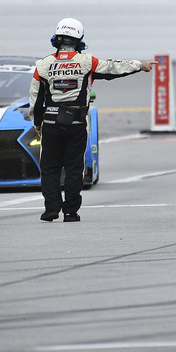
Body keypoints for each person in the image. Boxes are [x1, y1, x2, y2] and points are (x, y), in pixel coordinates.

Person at [30, 18, 156, 223]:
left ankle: (51, 209)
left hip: (51, 123)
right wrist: (139, 65)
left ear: (57, 38)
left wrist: (37, 122)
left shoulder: (42, 65)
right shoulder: (88, 62)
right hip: (77, 123)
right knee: (73, 168)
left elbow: (35, 99)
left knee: (50, 168)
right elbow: (113, 69)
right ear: (79, 38)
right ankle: (71, 212)